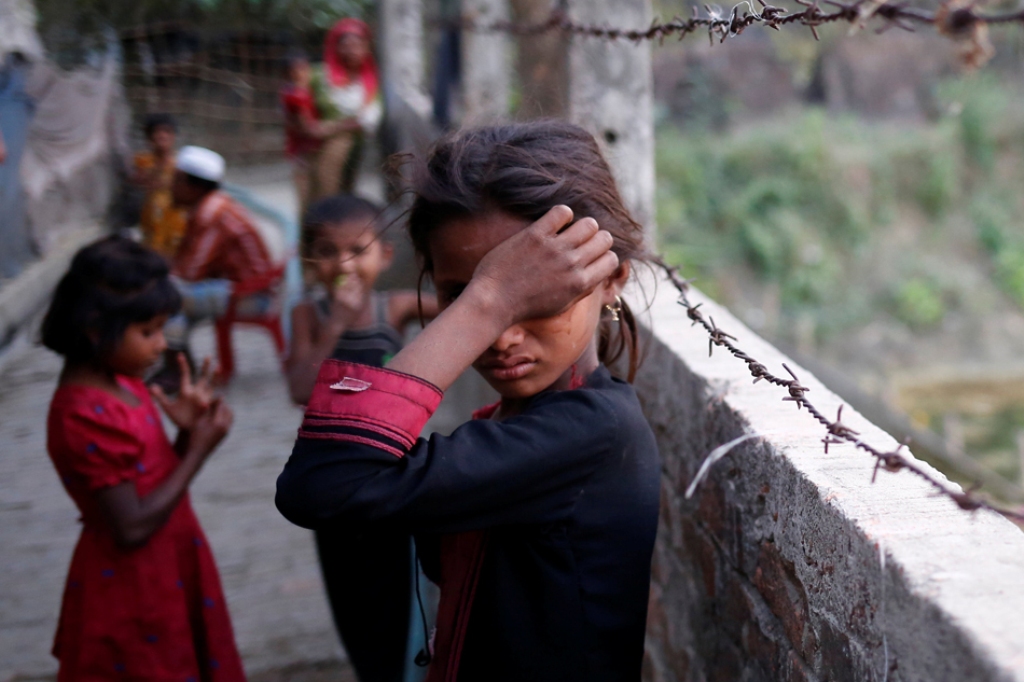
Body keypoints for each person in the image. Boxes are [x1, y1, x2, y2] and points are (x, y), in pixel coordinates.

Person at [276, 121, 660, 682]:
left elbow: (323, 482)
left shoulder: (593, 433)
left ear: (612, 279)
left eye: (538, 298)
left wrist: (485, 301)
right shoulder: (518, 420)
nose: (501, 334)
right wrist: (488, 297)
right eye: (461, 295)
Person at [41, 236, 245, 680]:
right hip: (132, 584)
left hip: (168, 560)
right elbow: (130, 525)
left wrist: (187, 435)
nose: (160, 345)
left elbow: (144, 480)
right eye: (147, 331)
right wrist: (199, 451)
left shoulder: (122, 380)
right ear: (95, 329)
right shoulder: (81, 412)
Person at [284, 194, 439, 682]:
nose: (343, 263)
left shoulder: (390, 309)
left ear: (384, 255)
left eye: (358, 250)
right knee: (349, 589)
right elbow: (299, 388)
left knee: (394, 584)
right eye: (328, 251)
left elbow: (465, 310)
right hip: (333, 479)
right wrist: (335, 321)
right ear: (310, 260)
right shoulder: (308, 315)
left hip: (391, 473)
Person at [160, 145, 275, 379]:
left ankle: (176, 369)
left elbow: (189, 272)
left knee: (166, 296)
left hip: (250, 297)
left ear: (193, 186)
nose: (170, 188)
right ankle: (177, 365)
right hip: (238, 289)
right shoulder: (209, 206)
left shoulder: (211, 213)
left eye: (176, 181)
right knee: (168, 295)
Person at [309, 18, 383, 200]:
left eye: (358, 45)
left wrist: (346, 125)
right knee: (324, 190)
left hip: (357, 149)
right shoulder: (319, 76)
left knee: (347, 190)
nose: (352, 51)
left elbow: (370, 117)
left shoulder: (371, 81)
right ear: (336, 47)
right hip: (322, 147)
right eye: (346, 45)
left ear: (366, 48)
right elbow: (300, 106)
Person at [280, 51, 352, 220]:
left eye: (304, 69)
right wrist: (344, 125)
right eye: (296, 70)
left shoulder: (305, 92)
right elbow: (309, 129)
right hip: (303, 155)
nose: (302, 74)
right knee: (308, 203)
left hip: (308, 152)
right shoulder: (296, 95)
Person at [132, 114, 188, 259]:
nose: (162, 136)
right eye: (157, 132)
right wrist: (161, 162)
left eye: (167, 132)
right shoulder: (143, 160)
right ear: (149, 138)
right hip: (153, 217)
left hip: (177, 218)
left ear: (173, 136)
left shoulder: (182, 161)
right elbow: (140, 181)